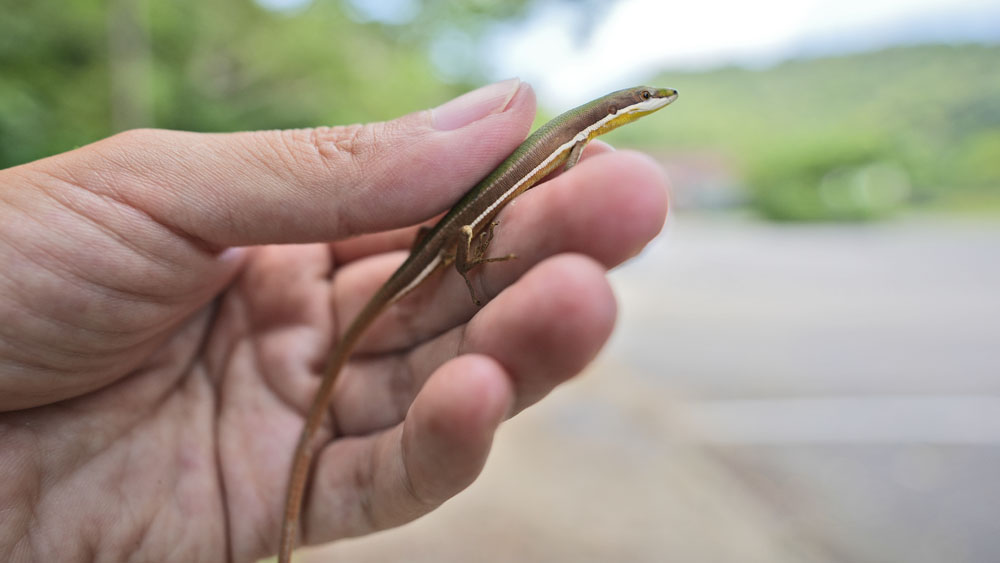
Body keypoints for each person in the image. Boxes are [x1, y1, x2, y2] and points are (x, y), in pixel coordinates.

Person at [0, 79, 668, 562]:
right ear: (620, 108)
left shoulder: (574, 141)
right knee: (471, 256)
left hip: (437, 241)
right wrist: (467, 256)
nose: (655, 103)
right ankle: (468, 264)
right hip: (444, 244)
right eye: (646, 98)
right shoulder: (573, 139)